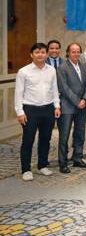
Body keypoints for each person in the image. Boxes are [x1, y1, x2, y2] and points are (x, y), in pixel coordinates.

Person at [15, 43, 60, 181]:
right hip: (30, 110)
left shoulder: (51, 70)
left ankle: (42, 165)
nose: (40, 55)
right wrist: (20, 112)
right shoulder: (23, 71)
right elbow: (18, 93)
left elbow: (54, 89)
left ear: (46, 55)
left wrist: (57, 106)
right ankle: (26, 169)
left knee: (45, 139)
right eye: (37, 52)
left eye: (42, 52)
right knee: (28, 140)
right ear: (31, 54)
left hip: (48, 109)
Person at [56, 43, 86, 173]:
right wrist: (77, 101)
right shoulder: (62, 68)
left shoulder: (83, 66)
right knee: (64, 135)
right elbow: (64, 88)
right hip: (67, 107)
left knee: (80, 133)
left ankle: (77, 158)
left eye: (78, 52)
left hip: (82, 106)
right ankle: (62, 162)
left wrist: (85, 99)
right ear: (68, 53)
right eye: (73, 52)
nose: (76, 54)